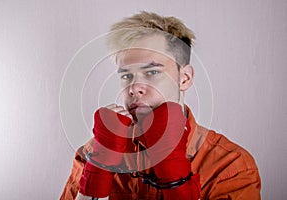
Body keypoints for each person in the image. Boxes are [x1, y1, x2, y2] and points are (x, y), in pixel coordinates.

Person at [60, 11, 261, 200]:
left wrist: (175, 176)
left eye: (152, 72)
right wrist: (98, 171)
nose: (134, 87)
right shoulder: (92, 152)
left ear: (184, 78)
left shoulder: (230, 164)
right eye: (126, 75)